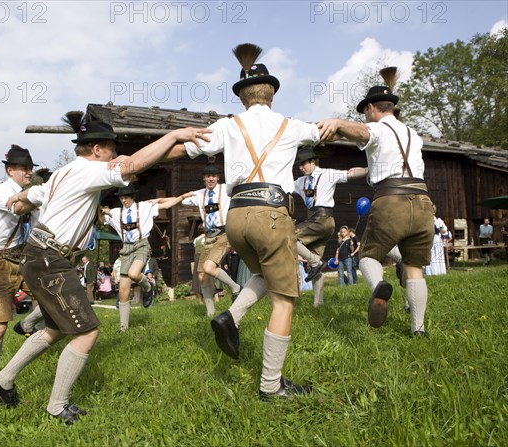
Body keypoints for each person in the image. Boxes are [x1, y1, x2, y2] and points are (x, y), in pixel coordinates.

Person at [0, 113, 208, 424]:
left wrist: (21, 196)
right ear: (98, 150)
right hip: (50, 259)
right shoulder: (90, 171)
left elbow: (32, 195)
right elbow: (131, 165)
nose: (116, 156)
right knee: (87, 332)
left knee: (54, 330)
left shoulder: (64, 173)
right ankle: (56, 406)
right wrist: (174, 136)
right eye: (112, 150)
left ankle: (2, 380)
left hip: (41, 256)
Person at [161, 43, 321, 398]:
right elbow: (324, 131)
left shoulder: (226, 126)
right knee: (285, 299)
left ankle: (230, 316)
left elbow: (184, 148)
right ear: (272, 93)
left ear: (242, 98)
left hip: (235, 217)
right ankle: (270, 386)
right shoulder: (291, 125)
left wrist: (140, 158)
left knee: (263, 275)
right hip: (271, 213)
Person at [318, 66, 434, 336]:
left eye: (364, 111)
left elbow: (361, 132)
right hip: (423, 200)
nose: (364, 116)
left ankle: (378, 288)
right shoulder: (413, 134)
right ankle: (418, 329)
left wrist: (337, 123)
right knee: (414, 267)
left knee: (368, 257)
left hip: (391, 198)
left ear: (371, 107)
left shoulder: (377, 129)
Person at [0, 145, 40, 380]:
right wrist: (42, 193)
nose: (29, 172)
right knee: (0, 324)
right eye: (24, 168)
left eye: (31, 168)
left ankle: (26, 325)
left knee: (50, 295)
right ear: (10, 170)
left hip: (19, 258)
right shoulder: (1, 192)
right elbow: (19, 207)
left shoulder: (27, 191)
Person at [293, 147, 368, 305]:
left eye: (304, 163)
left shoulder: (327, 174)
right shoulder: (300, 182)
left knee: (287, 237)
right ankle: (318, 303)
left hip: (323, 220)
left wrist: (372, 169)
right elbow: (282, 186)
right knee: (314, 267)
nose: (301, 167)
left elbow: (350, 174)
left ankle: (315, 261)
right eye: (298, 165)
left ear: (314, 161)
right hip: (312, 220)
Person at [103, 185, 185, 329]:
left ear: (132, 197)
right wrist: (102, 210)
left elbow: (166, 204)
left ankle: (148, 288)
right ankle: (123, 328)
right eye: (121, 197)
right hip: (126, 247)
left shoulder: (144, 207)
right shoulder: (116, 212)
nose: (124, 200)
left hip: (141, 245)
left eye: (126, 197)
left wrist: (182, 197)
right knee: (123, 291)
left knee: (134, 274)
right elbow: (103, 214)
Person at [180, 164, 241, 316]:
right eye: (208, 176)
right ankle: (210, 313)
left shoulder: (226, 189)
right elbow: (183, 201)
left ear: (218, 178)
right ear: (204, 179)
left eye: (213, 176)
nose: (211, 179)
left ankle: (235, 288)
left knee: (209, 268)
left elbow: (240, 186)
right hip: (209, 236)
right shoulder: (200, 194)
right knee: (202, 275)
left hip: (224, 233)